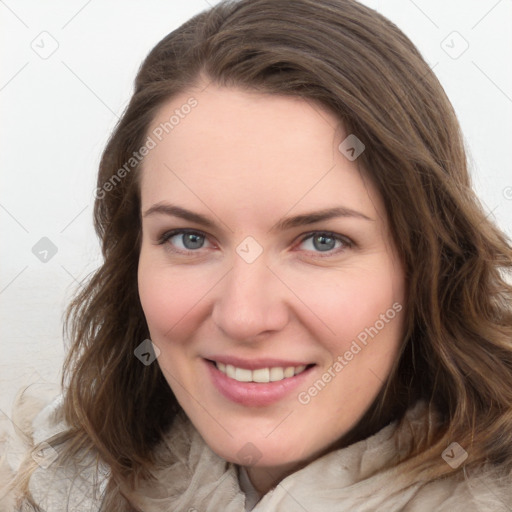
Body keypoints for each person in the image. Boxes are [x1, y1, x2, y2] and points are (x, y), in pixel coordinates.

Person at [2, 0, 512, 510]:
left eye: (321, 241)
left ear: (430, 263)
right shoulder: (44, 484)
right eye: (189, 238)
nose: (244, 316)